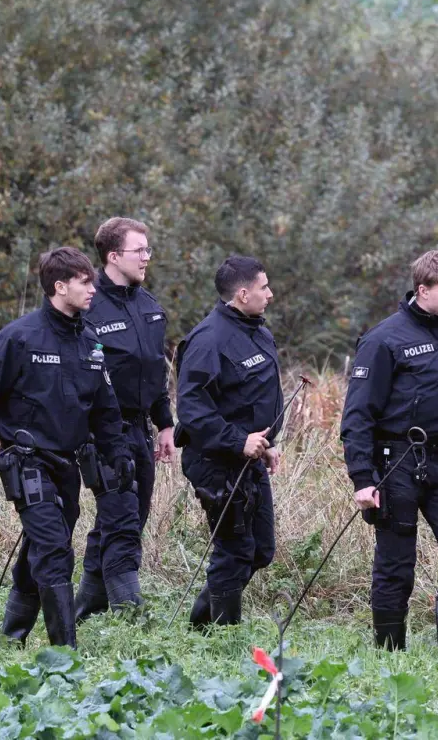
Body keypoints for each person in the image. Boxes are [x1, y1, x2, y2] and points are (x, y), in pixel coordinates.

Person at [0, 247, 129, 648]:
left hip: (69, 466)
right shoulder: (18, 338)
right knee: (53, 549)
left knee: (43, 546)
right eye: (85, 282)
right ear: (59, 286)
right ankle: (65, 654)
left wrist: (119, 455)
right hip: (26, 463)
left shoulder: (92, 344)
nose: (93, 290)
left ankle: (12, 636)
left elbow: (105, 409)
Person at [343, 250, 438, 653]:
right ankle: (390, 652)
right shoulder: (383, 340)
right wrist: (363, 479)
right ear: (421, 290)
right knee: (395, 566)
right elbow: (357, 415)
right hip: (395, 464)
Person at [74, 217, 174, 621]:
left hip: (140, 428)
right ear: (114, 256)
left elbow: (155, 371)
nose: (147, 257)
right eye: (140, 250)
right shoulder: (88, 307)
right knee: (121, 517)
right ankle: (129, 613)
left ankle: (86, 605)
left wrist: (165, 423)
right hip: (101, 433)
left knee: (135, 514)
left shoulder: (151, 308)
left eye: (148, 249)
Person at [176, 255, 283, 627]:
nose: (270, 294)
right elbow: (192, 409)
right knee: (234, 551)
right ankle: (221, 636)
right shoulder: (209, 341)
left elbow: (252, 397)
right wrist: (238, 441)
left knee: (261, 550)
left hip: (250, 459)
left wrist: (264, 446)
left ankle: (202, 623)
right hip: (216, 461)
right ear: (242, 294)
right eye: (263, 287)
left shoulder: (257, 330)